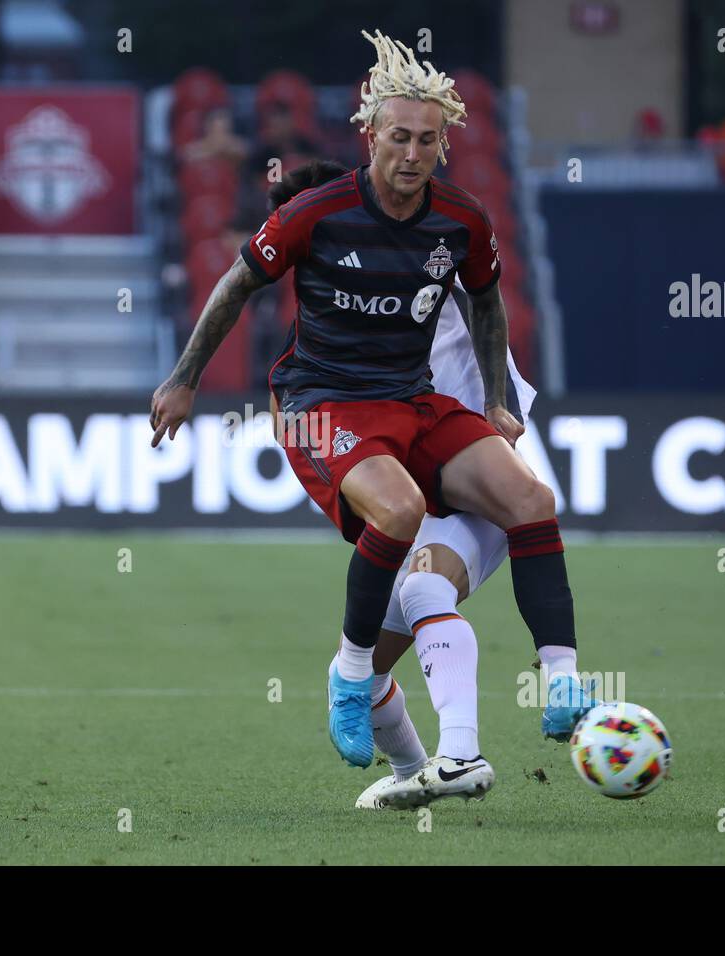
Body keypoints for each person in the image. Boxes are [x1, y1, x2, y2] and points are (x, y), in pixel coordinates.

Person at [150, 30, 594, 776]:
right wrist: (184, 378)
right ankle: (353, 677)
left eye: (428, 139)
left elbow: (486, 304)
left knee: (531, 497)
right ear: (369, 135)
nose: (413, 152)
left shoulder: (462, 220)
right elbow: (235, 285)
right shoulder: (317, 212)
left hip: (410, 399)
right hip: (321, 400)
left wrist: (494, 399)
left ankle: (561, 682)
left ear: (443, 144)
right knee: (399, 512)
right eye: (399, 137)